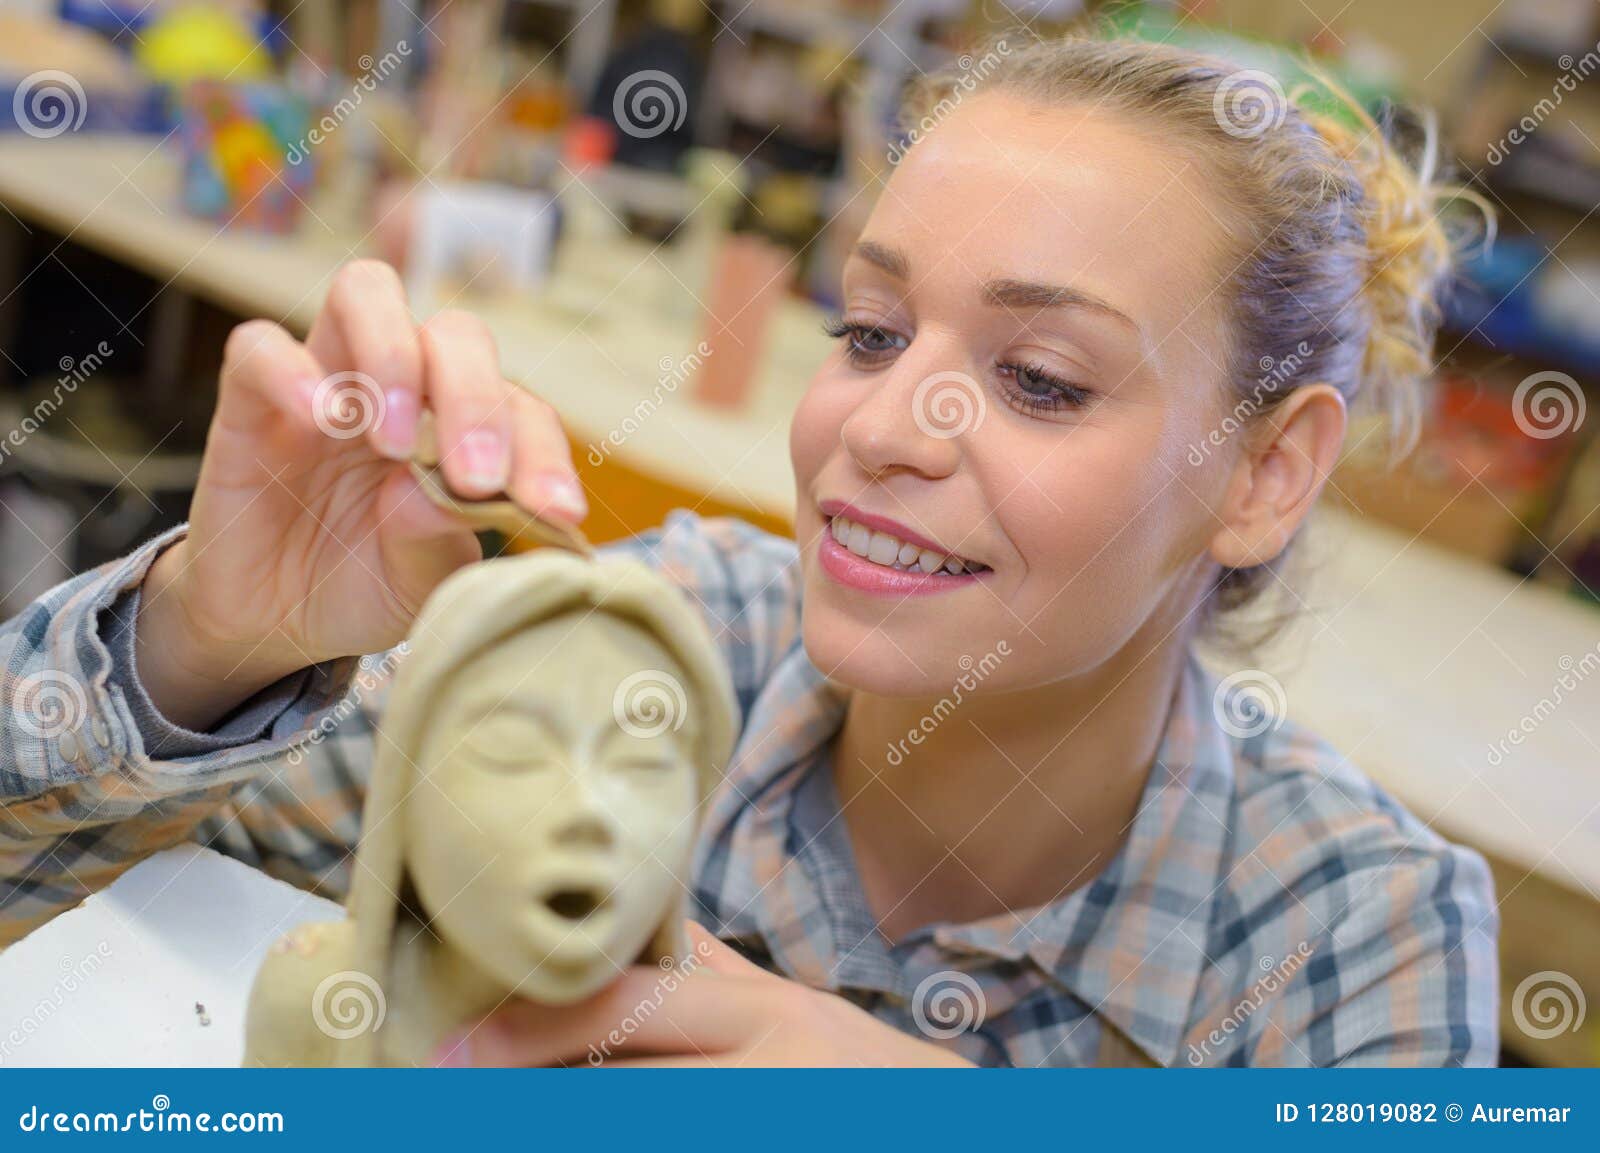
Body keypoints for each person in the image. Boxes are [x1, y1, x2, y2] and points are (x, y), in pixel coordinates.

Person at [0, 34, 1497, 1066]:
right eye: (869, 329)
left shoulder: (1355, 924)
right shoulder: (656, 642)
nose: (887, 426)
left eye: (1041, 379)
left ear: (1263, 471)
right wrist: (204, 640)